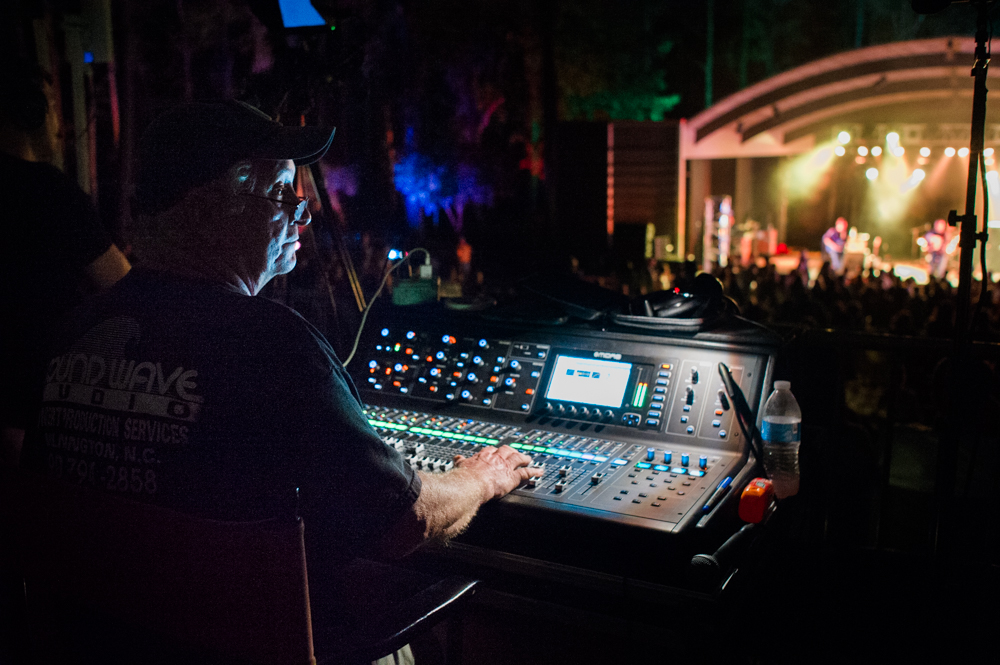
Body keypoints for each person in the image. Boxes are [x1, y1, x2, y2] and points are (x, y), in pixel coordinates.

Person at [18, 101, 540, 662]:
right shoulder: (273, 347)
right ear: (205, 207)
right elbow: (403, 521)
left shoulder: (72, 334)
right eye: (281, 193)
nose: (304, 211)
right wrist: (480, 478)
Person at [0, 61, 131, 466]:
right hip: (28, 406)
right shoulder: (49, 192)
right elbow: (124, 287)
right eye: (53, 106)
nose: (61, 121)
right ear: (30, 112)